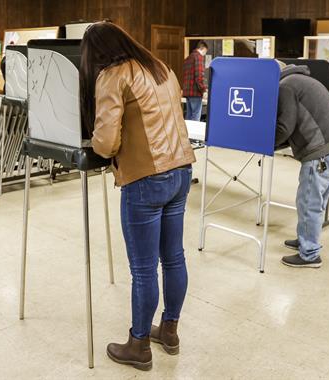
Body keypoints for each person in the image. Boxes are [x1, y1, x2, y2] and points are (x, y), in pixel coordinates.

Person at [80, 21, 196, 371]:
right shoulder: (160, 67)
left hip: (145, 179)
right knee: (173, 258)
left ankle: (139, 344)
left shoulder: (113, 75)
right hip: (181, 170)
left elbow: (106, 142)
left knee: (143, 270)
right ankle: (170, 331)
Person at [275, 61, 329, 269]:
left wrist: (265, 144)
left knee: (309, 202)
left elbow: (285, 126)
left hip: (322, 151)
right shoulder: (301, 79)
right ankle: (304, 239)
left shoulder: (286, 86)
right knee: (313, 200)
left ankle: (309, 254)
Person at [182, 40, 208, 121]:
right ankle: (194, 134)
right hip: (195, 92)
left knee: (189, 115)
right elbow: (199, 76)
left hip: (187, 91)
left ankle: (187, 133)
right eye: (205, 52)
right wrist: (204, 90)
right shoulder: (199, 57)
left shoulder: (188, 58)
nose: (204, 54)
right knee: (196, 116)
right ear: (202, 48)